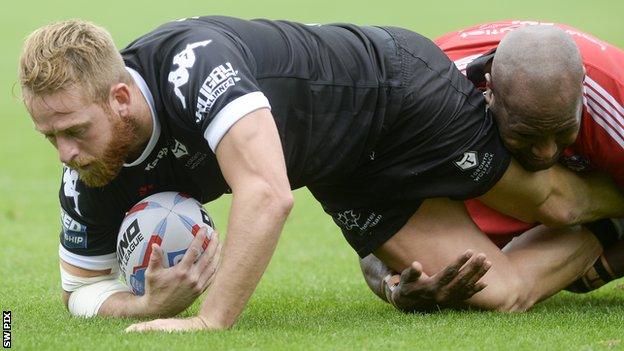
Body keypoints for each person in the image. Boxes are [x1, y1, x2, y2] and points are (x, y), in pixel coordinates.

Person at [19, 17, 624, 332]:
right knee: (500, 294)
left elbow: (267, 194)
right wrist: (144, 307)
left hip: (395, 95)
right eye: (49, 136)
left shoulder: (193, 64)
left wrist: (208, 318)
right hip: (340, 169)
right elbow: (82, 293)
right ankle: (614, 237)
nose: (64, 153)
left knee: (555, 203)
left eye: (74, 130)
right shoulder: (91, 173)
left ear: (121, 98)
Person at [361, 21, 624, 311]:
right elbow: (371, 220)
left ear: (582, 87)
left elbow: (559, 204)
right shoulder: (429, 103)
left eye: (563, 131)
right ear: (489, 91)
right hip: (457, 171)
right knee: (492, 290)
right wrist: (393, 284)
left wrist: (609, 264)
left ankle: (608, 224)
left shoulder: (614, 94)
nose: (545, 151)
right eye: (526, 133)